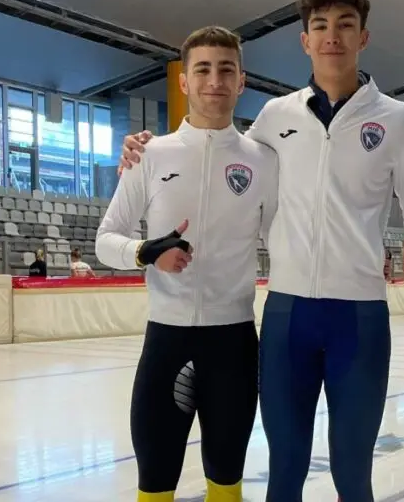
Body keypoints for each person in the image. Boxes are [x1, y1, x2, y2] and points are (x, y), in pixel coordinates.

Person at [119, 0, 404, 501]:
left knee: (352, 470)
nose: (332, 35)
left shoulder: (398, 120)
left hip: (359, 318)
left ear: (363, 37)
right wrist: (142, 150)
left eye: (345, 24)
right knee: (285, 466)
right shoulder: (274, 116)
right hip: (289, 316)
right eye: (320, 26)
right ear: (305, 41)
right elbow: (220, 157)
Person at [96, 26, 278, 502]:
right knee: (155, 486)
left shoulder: (263, 160)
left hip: (234, 344)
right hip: (167, 341)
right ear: (183, 81)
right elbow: (105, 240)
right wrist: (146, 252)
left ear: (242, 81)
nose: (214, 80)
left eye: (226, 69)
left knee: (226, 485)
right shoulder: (149, 154)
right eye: (202, 69)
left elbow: (286, 242)